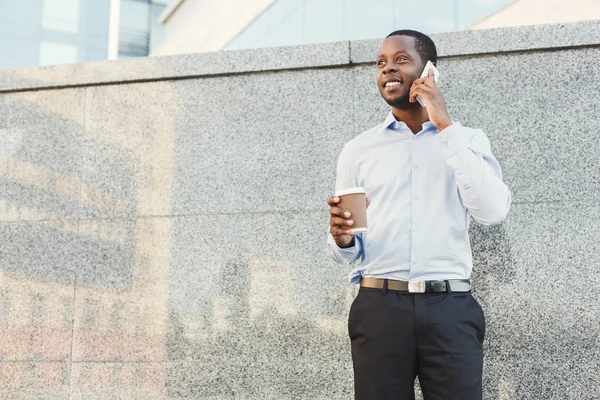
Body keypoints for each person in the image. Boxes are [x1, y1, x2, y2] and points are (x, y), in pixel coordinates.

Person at [326, 30, 511, 400]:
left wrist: (445, 125)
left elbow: (492, 212)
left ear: (429, 70)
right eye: (380, 63)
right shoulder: (358, 150)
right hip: (379, 308)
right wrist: (342, 238)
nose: (387, 69)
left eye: (400, 59)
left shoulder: (468, 140)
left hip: (450, 310)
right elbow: (348, 248)